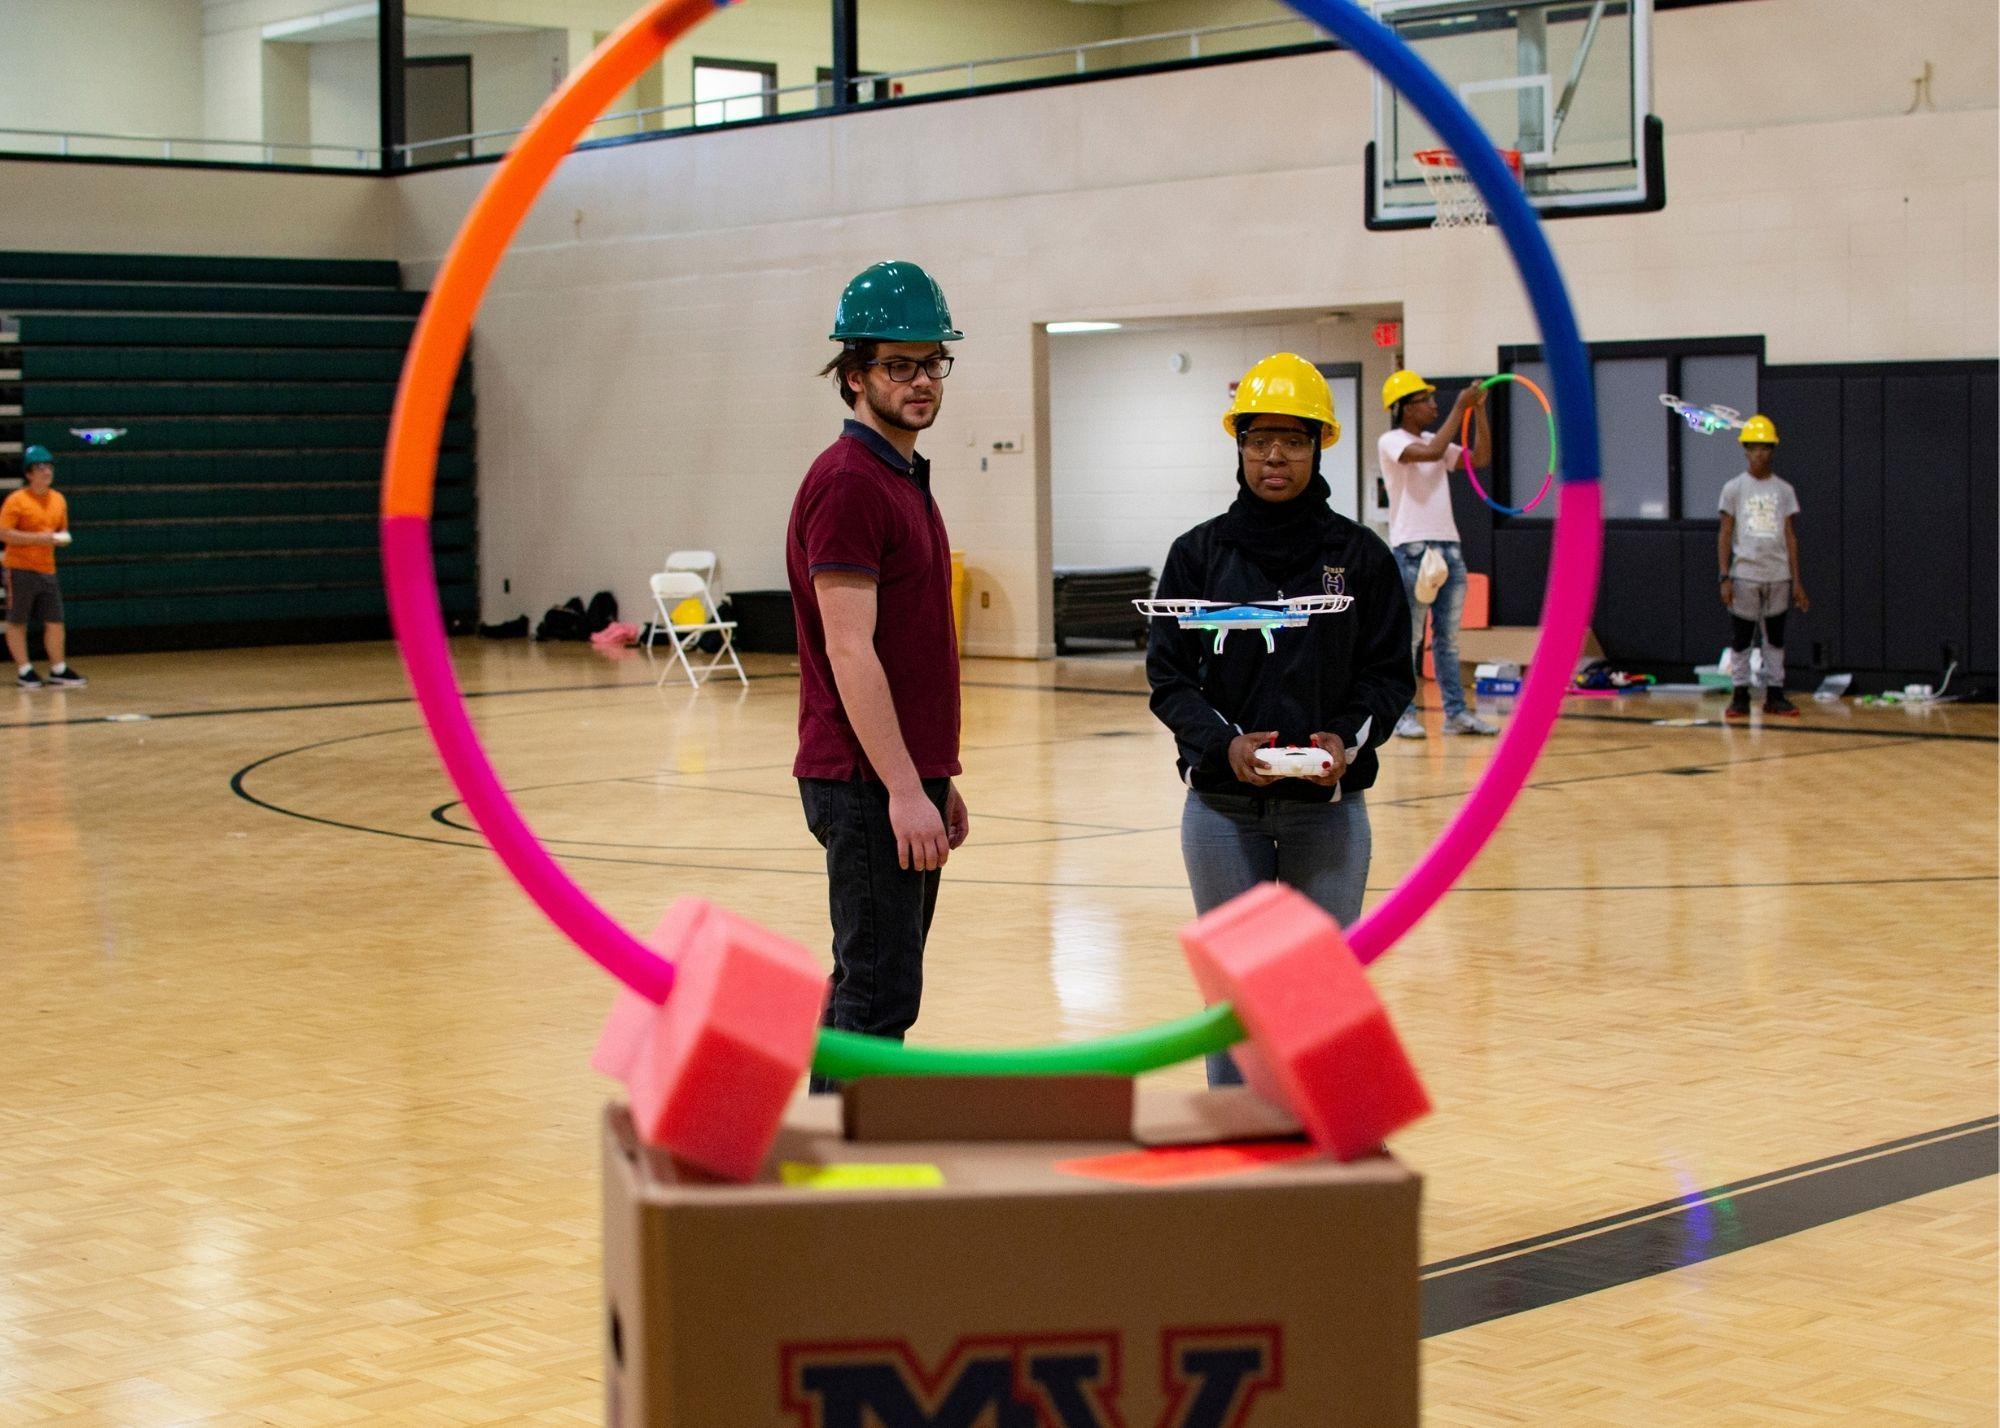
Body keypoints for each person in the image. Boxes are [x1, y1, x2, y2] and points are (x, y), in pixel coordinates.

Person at [1147, 354, 1415, 1087]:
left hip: (1326, 817)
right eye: (1259, 438)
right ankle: (1240, 1160)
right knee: (1232, 1004)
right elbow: (1167, 678)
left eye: (1292, 440)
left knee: (1317, 999)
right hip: (1220, 814)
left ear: (1318, 445)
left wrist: (1347, 738)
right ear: (1237, 445)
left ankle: (1313, 1161)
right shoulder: (1198, 556)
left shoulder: (1358, 558)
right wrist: (1222, 746)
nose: (1273, 455)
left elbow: (1390, 673)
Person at [787, 260, 969, 1083]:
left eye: (934, 362)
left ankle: (827, 1161)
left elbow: (906, 643)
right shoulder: (850, 482)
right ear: (854, 375)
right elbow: (849, 647)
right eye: (899, 364)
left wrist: (933, 777)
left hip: (896, 775)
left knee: (874, 987)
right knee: (877, 996)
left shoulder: (899, 476)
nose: (922, 380)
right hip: (864, 781)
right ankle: (836, 1189)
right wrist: (902, 788)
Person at [1377, 370, 1493, 738]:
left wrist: (1478, 412)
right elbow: (1430, 452)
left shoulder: (1435, 439)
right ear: (1404, 408)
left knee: (1448, 640)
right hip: (1413, 549)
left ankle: (1457, 715)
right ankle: (1404, 714)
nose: (1433, 405)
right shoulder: (1392, 441)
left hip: (1449, 547)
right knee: (1410, 639)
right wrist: (1461, 407)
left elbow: (1479, 459)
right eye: (1425, 400)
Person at [1718, 415, 1807, 718]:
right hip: (1745, 574)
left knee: (1776, 639)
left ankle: (1775, 693)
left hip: (1778, 575)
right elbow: (1726, 532)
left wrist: (1796, 581)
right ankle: (1740, 693)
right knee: (1742, 638)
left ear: (1773, 450)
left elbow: (1790, 535)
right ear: (1745, 450)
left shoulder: (1784, 490)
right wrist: (1724, 575)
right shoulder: (1733, 488)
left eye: (1765, 448)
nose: (1760, 453)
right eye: (1754, 448)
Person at [2, 445, 85, 690]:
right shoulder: (17, 500)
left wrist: (61, 538)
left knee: (55, 620)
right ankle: (24, 669)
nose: (47, 472)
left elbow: (60, 530)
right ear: (29, 473)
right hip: (19, 568)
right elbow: (4, 533)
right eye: (40, 467)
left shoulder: (58, 500)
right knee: (17, 620)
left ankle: (58, 668)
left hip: (47, 568)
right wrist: (38, 539)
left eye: (49, 466)